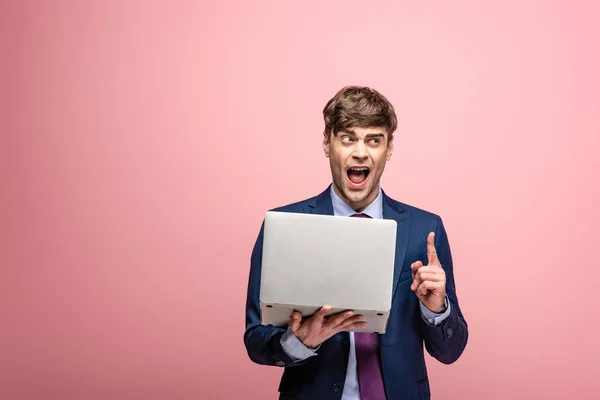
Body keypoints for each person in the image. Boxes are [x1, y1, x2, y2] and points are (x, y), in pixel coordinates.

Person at [244, 86, 468, 400]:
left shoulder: (426, 230)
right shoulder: (282, 226)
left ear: (389, 149)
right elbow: (256, 340)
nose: (360, 152)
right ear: (327, 144)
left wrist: (436, 309)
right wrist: (300, 341)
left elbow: (450, 350)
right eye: (348, 138)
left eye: (374, 140)